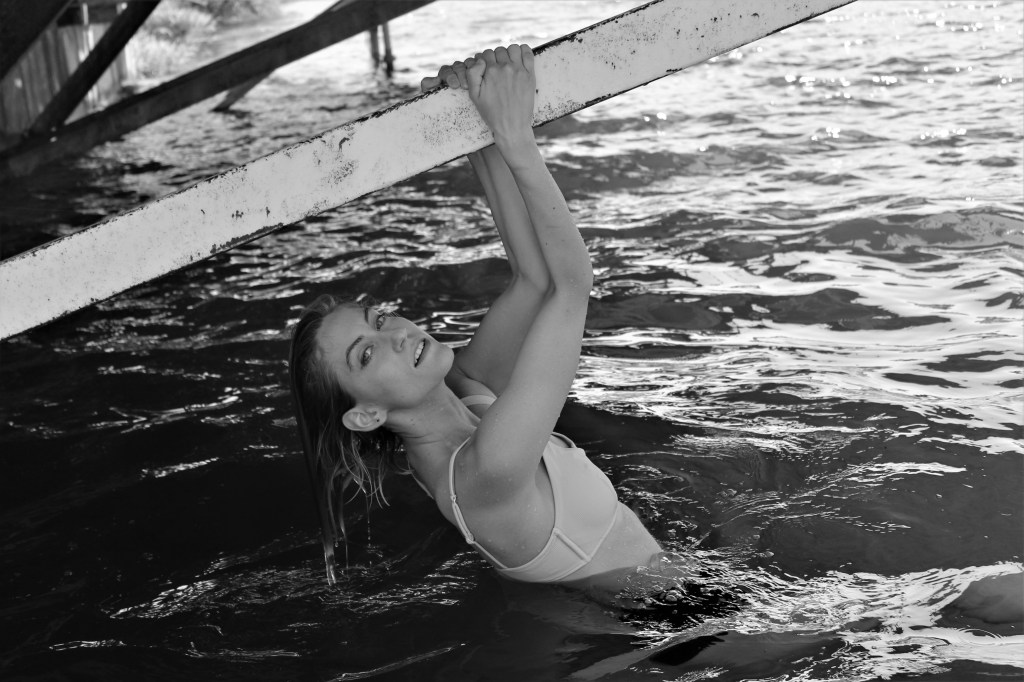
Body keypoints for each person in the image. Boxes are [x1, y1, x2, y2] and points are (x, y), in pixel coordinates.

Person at [289, 44, 663, 587]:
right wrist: (515, 137)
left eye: (379, 320)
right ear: (367, 415)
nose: (396, 335)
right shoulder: (485, 471)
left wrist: (473, 127)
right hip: (673, 623)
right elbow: (571, 286)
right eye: (366, 354)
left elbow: (534, 281)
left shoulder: (462, 396)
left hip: (682, 599)